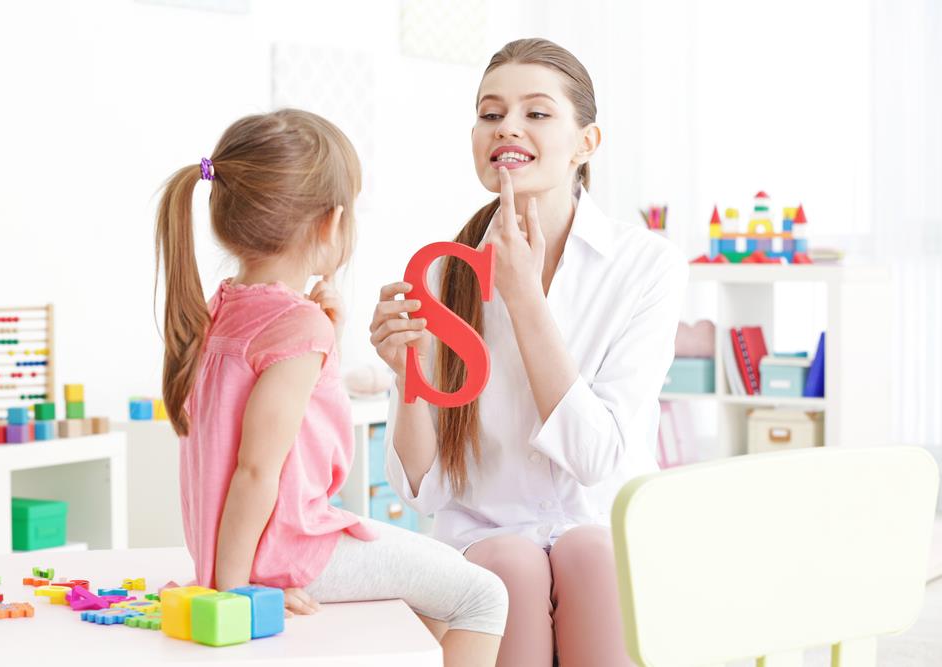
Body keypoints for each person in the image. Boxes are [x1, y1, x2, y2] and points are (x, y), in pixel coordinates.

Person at [371, 39, 688, 666]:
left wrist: (522, 299)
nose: (507, 127)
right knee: (511, 564)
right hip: (483, 545)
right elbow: (422, 490)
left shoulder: (646, 266)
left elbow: (595, 458)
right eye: (491, 114)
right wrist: (405, 371)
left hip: (599, 532)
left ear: (586, 143)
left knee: (590, 552)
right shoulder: (441, 275)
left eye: (536, 113)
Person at [155, 109, 507, 666]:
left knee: (433, 600)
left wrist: (329, 337)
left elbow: (261, 438)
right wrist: (234, 595)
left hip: (246, 549)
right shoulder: (296, 326)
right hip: (288, 551)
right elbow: (254, 471)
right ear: (331, 223)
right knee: (483, 596)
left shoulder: (218, 309)